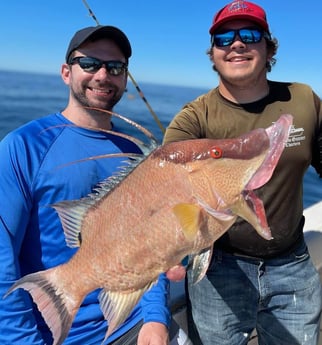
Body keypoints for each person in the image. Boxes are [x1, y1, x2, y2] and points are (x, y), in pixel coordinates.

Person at [0, 25, 189, 345]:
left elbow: (148, 250)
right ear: (65, 72)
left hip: (134, 321)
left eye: (115, 67)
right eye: (88, 64)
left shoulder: (135, 154)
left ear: (125, 79)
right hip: (54, 334)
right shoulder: (23, 147)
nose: (102, 75)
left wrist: (155, 319)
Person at [163, 1, 322, 344]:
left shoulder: (304, 100)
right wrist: (171, 248)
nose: (237, 44)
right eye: (224, 37)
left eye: (249, 34)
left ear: (268, 47)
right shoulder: (193, 119)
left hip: (292, 262)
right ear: (214, 52)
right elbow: (166, 190)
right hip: (218, 267)